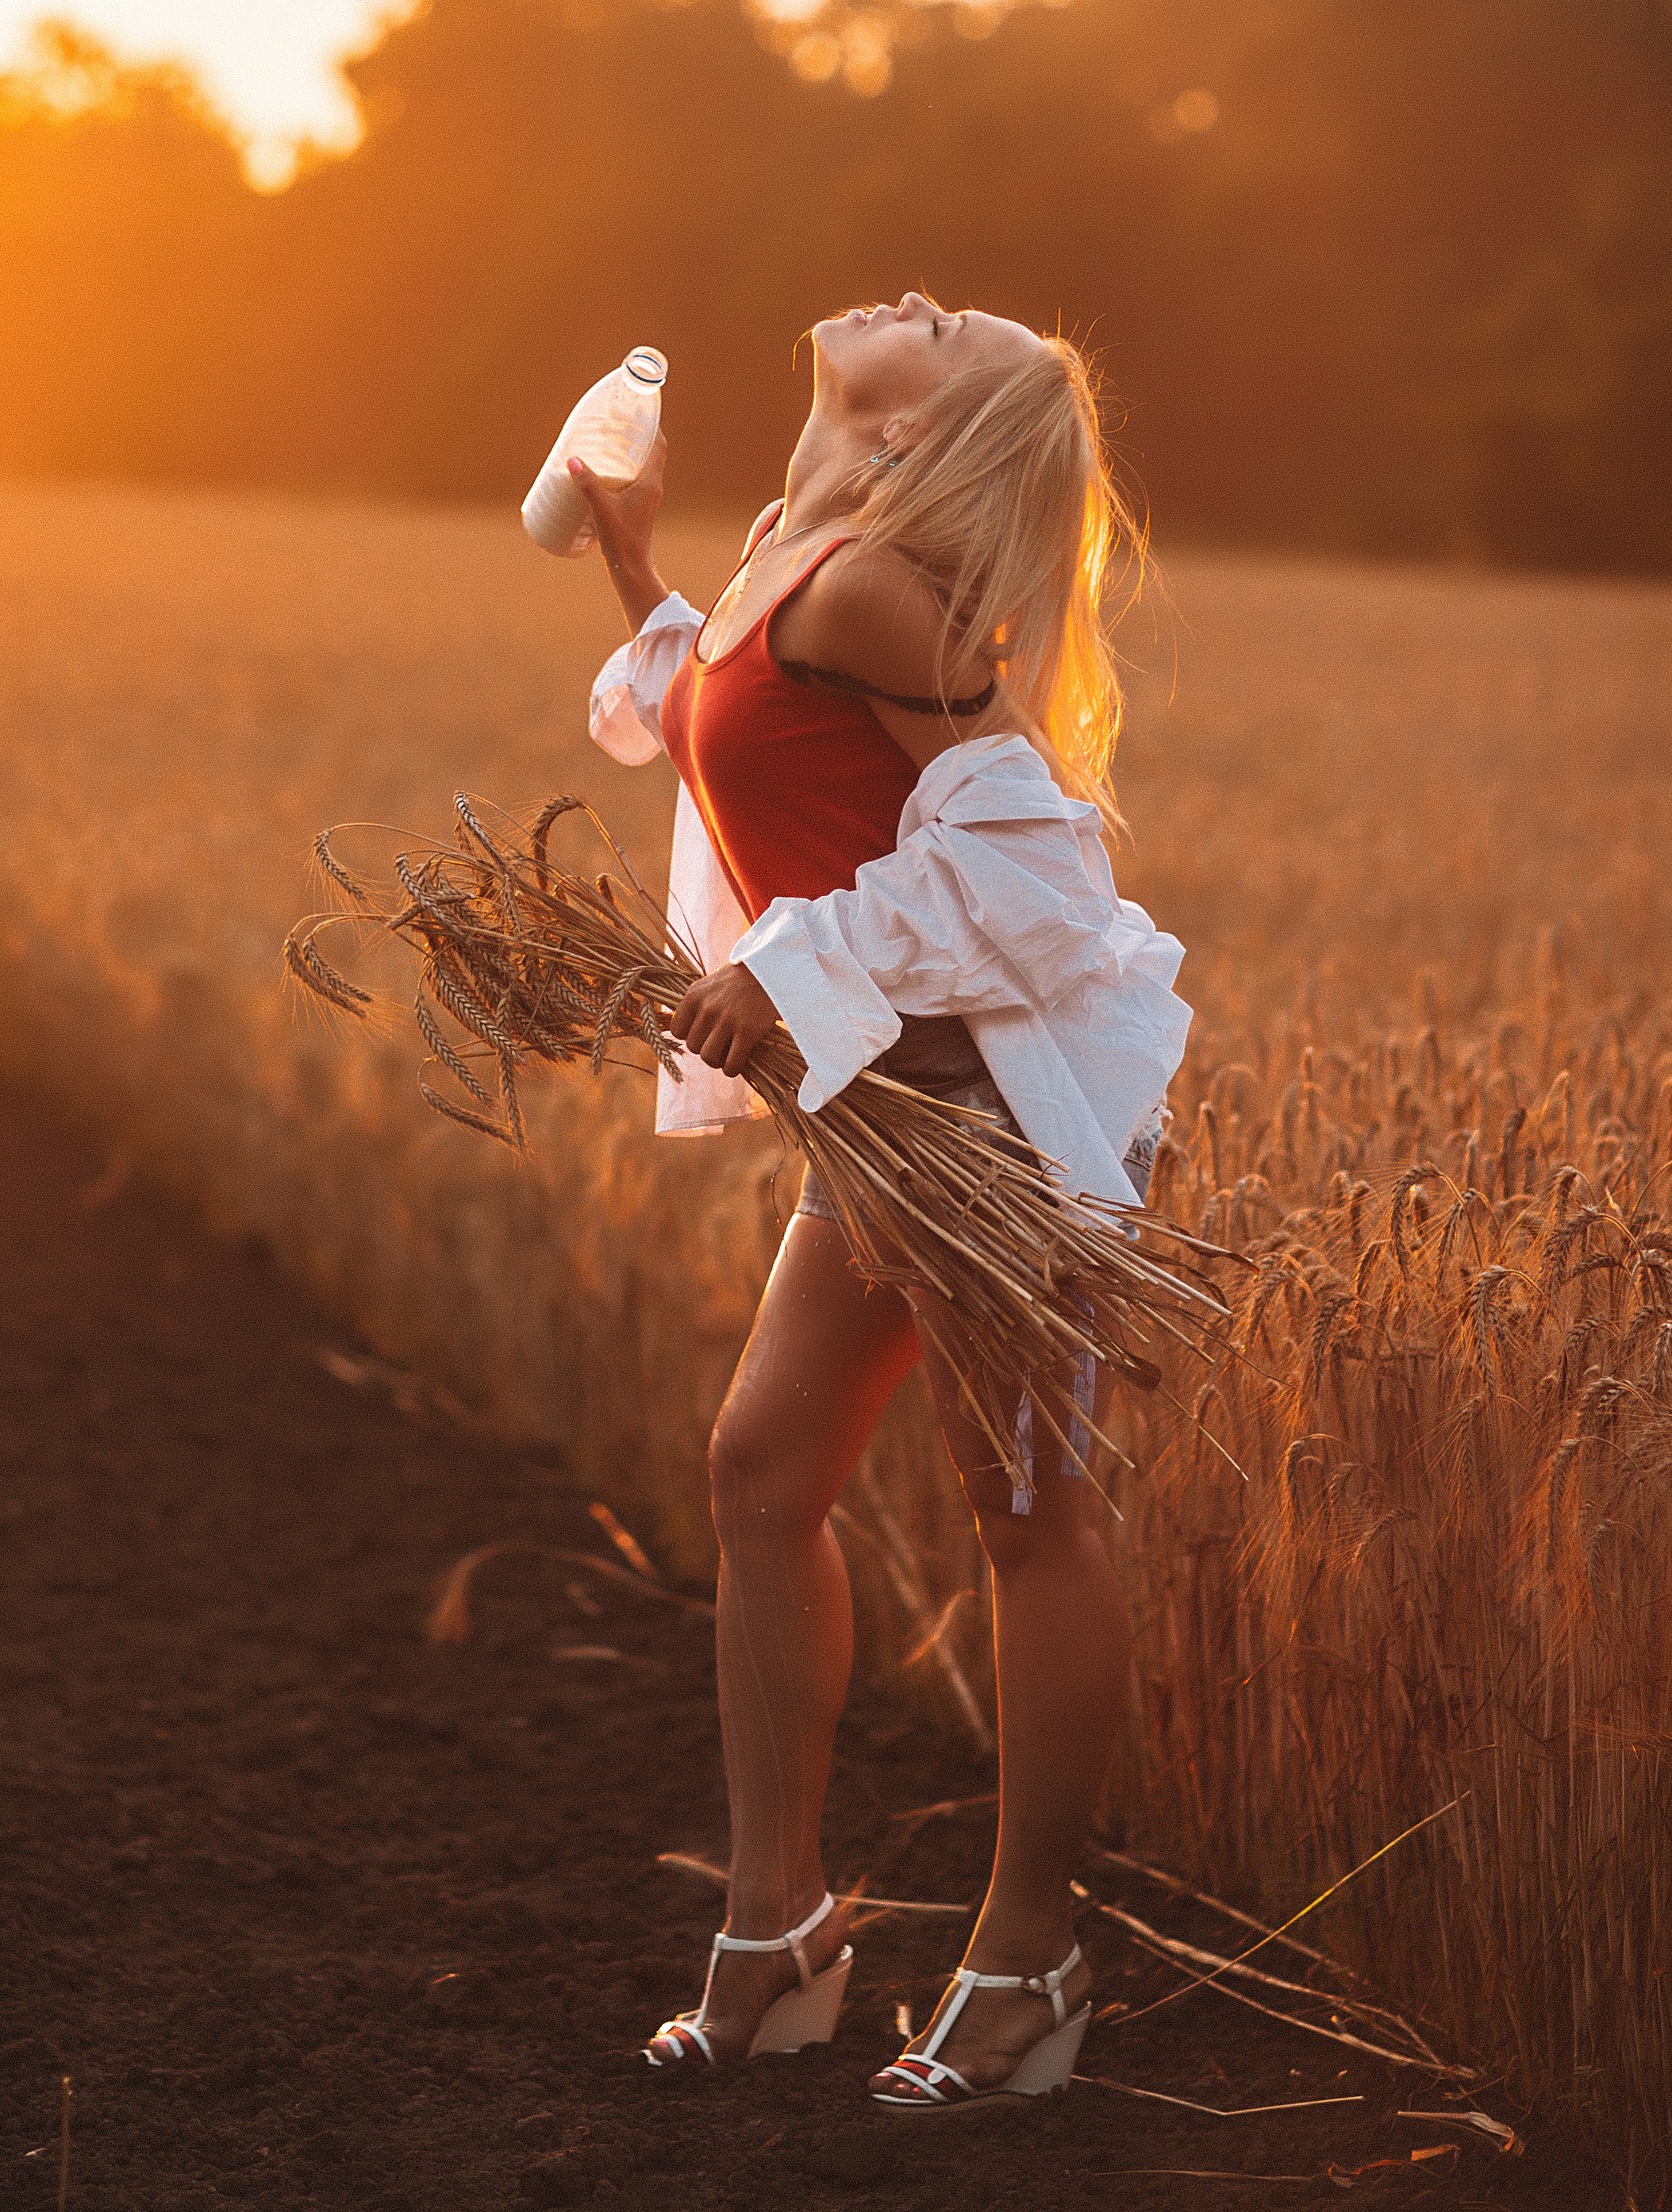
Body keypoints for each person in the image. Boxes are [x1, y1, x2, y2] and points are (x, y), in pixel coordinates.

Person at [573, 293, 1191, 2120]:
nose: (930, 296)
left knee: (1023, 1515)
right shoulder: (791, 554)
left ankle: (1024, 1960)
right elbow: (735, 736)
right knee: (762, 1476)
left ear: (935, 429)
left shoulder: (873, 593)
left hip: (999, 1110)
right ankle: (776, 1933)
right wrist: (635, 567)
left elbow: (1030, 863)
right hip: (885, 1107)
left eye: (961, 328)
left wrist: (790, 965)